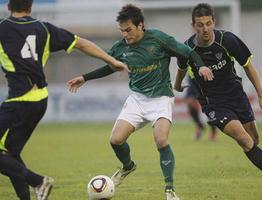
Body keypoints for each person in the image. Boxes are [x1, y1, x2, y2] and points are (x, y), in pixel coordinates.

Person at [68, 4, 213, 200]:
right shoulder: (120, 48)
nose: (125, 35)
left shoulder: (159, 39)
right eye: (122, 31)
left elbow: (187, 52)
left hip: (161, 97)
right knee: (115, 140)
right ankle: (128, 166)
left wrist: (202, 66)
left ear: (141, 25)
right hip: (137, 99)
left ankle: (169, 191)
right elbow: (111, 66)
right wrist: (85, 78)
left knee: (161, 140)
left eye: (128, 30)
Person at [0, 1, 127, 200]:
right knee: (10, 153)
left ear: (8, 6)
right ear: (31, 6)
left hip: (19, 100)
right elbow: (82, 43)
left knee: (8, 154)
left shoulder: (2, 28)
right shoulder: (44, 29)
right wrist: (112, 61)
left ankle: (38, 181)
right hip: (40, 99)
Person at [174, 3, 262, 179]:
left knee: (253, 139)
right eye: (200, 24)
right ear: (193, 25)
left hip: (236, 95)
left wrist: (261, 96)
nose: (205, 29)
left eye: (209, 23)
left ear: (214, 22)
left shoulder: (228, 40)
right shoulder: (186, 48)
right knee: (244, 139)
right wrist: (177, 85)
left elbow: (248, 67)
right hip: (213, 103)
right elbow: (181, 68)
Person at [184, 75, 217, 141]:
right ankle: (200, 125)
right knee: (189, 102)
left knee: (208, 105)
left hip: (204, 77)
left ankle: (213, 131)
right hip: (192, 76)